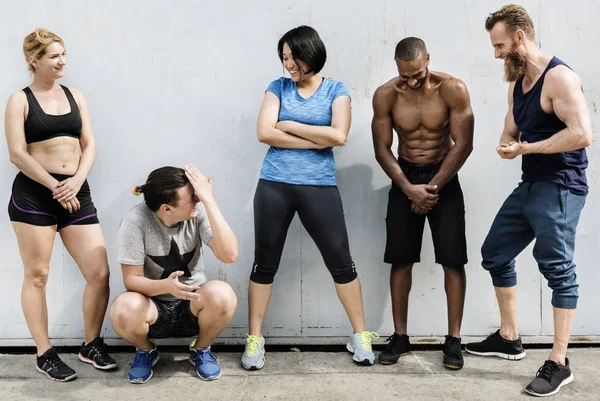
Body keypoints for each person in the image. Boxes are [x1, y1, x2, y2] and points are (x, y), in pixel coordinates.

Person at [464, 5, 592, 397]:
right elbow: (511, 127)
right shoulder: (517, 83)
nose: (497, 53)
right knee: (495, 253)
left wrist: (527, 148)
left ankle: (559, 361)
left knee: (557, 269)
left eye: (500, 44)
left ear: (520, 37)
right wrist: (507, 144)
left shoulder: (561, 79)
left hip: (561, 186)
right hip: (532, 184)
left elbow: (581, 134)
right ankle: (509, 337)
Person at [241, 25, 376, 370]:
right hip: (273, 185)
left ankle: (360, 335)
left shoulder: (336, 89)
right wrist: (318, 139)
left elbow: (339, 134)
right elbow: (263, 132)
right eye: (284, 58)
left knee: (341, 262)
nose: (288, 64)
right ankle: (255, 339)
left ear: (310, 53)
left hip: (319, 187)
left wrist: (287, 124)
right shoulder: (277, 87)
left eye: (292, 57)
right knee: (264, 262)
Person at [5, 28, 117, 382]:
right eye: (54, 56)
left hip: (75, 191)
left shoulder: (76, 96)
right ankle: (44, 352)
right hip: (36, 194)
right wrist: (56, 185)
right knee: (37, 276)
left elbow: (91, 144)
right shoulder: (19, 100)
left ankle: (91, 345)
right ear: (34, 61)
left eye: (63, 54)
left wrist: (77, 182)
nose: (62, 61)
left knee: (99, 273)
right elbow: (17, 153)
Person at [372, 37, 474, 370]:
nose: (411, 81)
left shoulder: (452, 89)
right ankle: (400, 336)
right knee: (400, 259)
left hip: (443, 176)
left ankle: (454, 340)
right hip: (404, 176)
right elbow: (383, 149)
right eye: (405, 74)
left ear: (428, 59)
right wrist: (408, 188)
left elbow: (463, 145)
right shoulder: (387, 94)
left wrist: (429, 189)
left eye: (417, 74)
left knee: (452, 259)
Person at [110, 165, 238, 384]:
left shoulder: (198, 211)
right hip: (153, 309)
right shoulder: (135, 221)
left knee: (223, 294)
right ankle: (146, 351)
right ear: (167, 209)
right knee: (123, 308)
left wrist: (210, 201)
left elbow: (229, 254)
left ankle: (201, 349)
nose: (197, 199)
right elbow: (131, 280)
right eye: (193, 198)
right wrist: (166, 287)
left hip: (193, 305)